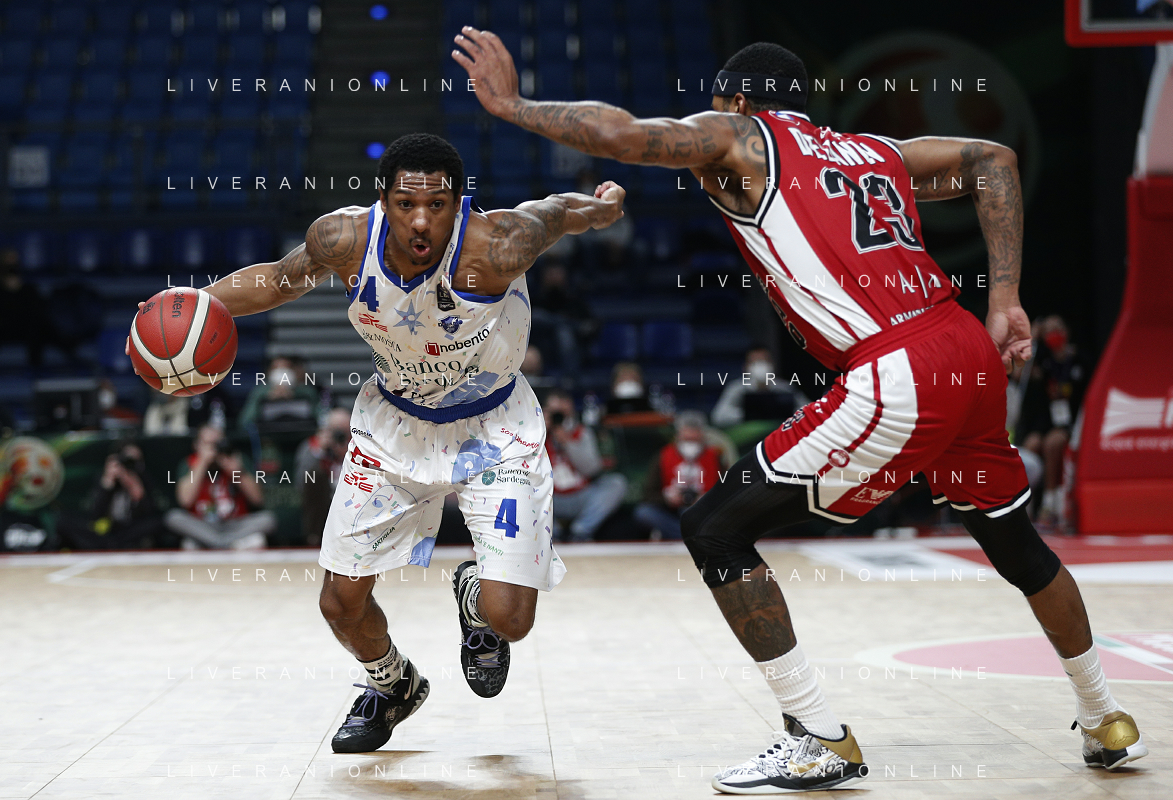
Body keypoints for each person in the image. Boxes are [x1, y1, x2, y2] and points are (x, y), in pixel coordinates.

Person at [454, 32, 1147, 791]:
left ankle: (818, 736)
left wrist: (514, 106)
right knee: (1013, 540)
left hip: (897, 366)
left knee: (714, 527)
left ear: (738, 101)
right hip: (965, 350)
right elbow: (994, 160)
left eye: (717, 105)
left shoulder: (743, 138)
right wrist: (1005, 296)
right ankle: (1104, 715)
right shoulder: (869, 151)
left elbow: (622, 134)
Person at [141, 133, 626, 754]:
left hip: (494, 428)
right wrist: (193, 305)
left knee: (512, 620)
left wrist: (600, 208)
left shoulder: (499, 243)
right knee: (339, 603)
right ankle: (393, 685)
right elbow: (279, 280)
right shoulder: (343, 239)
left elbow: (556, 211)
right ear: (382, 199)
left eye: (437, 205)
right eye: (405, 204)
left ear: (459, 202)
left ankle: (474, 596)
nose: (420, 221)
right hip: (394, 425)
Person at [164, 425, 277, 550]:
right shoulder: (189, 463)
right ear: (196, 445)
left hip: (235, 524)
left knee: (268, 519)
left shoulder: (236, 460)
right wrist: (202, 463)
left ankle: (213, 544)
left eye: (217, 444)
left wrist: (237, 472)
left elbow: (258, 500)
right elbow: (185, 501)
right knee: (173, 517)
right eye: (208, 444)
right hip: (203, 524)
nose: (213, 449)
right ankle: (228, 544)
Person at [1018, 315, 1086, 523]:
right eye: (1048, 331)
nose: (1053, 334)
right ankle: (1025, 505)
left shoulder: (1079, 360)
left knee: (1052, 444)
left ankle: (1050, 504)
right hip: (1046, 422)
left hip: (1072, 423)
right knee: (1031, 445)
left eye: (1057, 329)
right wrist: (1031, 339)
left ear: (1066, 332)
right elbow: (1019, 374)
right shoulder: (1042, 362)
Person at [543, 389, 627, 542]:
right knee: (524, 488)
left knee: (616, 483)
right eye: (555, 413)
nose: (558, 417)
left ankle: (580, 531)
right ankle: (552, 532)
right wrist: (540, 430)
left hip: (581, 494)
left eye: (562, 412)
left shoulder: (582, 432)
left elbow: (591, 469)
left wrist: (567, 442)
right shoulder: (536, 435)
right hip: (550, 498)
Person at [634, 410, 723, 541]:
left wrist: (706, 498)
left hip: (703, 513)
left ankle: (689, 536)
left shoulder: (715, 457)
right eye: (687, 440)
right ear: (678, 436)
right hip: (672, 513)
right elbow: (648, 493)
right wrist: (667, 498)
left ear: (703, 437)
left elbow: (727, 490)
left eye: (694, 440)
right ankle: (689, 538)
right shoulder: (663, 456)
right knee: (644, 513)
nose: (691, 444)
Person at [60, 442, 163, 549]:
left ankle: (117, 545)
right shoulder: (106, 478)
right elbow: (95, 515)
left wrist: (135, 490)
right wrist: (106, 485)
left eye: (135, 461)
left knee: (158, 523)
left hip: (130, 532)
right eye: (127, 460)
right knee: (64, 520)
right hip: (106, 532)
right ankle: (107, 545)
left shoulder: (144, 479)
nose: (131, 464)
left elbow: (150, 515)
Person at [294, 408, 352, 547]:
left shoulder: (360, 446)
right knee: (316, 475)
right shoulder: (312, 448)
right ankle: (315, 539)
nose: (341, 437)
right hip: (324, 506)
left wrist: (347, 454)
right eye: (336, 431)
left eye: (345, 432)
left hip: (352, 502)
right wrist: (320, 452)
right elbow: (301, 484)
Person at [711, 347, 809, 428]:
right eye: (755, 362)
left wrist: (785, 413)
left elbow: (807, 410)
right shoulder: (736, 389)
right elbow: (718, 417)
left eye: (764, 361)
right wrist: (749, 414)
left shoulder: (785, 388)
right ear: (745, 367)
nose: (760, 366)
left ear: (772, 365)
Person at [237, 355, 321, 428]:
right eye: (276, 368)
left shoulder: (306, 391)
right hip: (268, 438)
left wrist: (294, 397)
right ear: (269, 372)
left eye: (286, 368)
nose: (281, 372)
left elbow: (320, 418)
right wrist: (266, 399)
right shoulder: (260, 392)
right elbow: (245, 422)